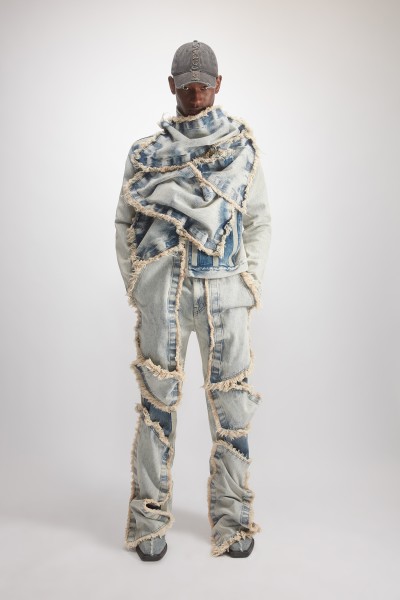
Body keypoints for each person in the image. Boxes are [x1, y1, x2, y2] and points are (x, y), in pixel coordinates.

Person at [115, 40, 272, 561]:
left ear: (219, 84)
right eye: (187, 84)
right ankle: (147, 519)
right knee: (155, 406)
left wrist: (248, 284)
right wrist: (140, 286)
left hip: (225, 294)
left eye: (204, 83)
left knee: (231, 407)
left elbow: (257, 221)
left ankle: (234, 519)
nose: (197, 92)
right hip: (164, 295)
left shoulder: (240, 148)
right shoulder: (145, 155)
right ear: (172, 86)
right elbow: (125, 223)